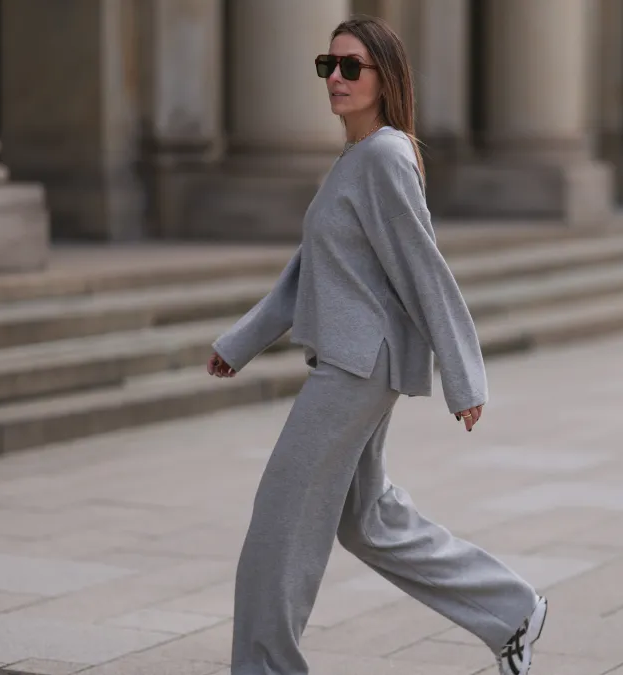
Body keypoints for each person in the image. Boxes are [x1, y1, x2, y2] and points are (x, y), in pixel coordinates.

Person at [206, 14, 548, 675]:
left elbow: (423, 266)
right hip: (358, 359)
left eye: (351, 66)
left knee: (281, 515)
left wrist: (464, 375)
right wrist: (243, 340)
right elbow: (310, 265)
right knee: (369, 519)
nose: (335, 78)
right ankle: (513, 610)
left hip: (356, 367)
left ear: (384, 77)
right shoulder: (357, 157)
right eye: (327, 66)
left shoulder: (386, 156)